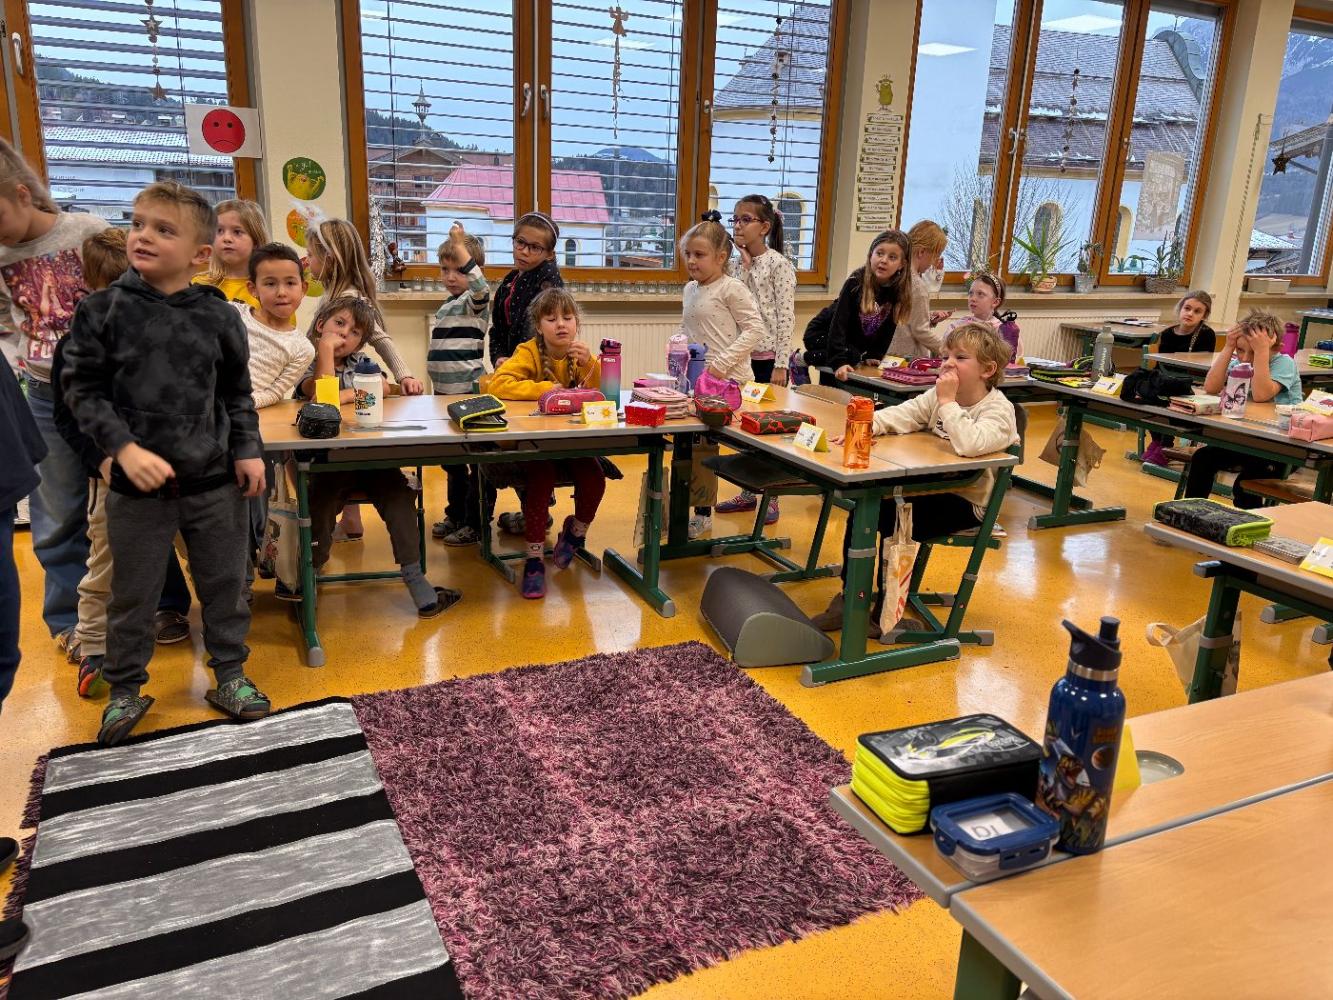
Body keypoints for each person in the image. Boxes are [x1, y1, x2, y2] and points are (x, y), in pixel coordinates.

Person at [62, 181, 270, 746]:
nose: (143, 236)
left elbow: (237, 393)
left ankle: (230, 675)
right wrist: (120, 450)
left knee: (225, 585)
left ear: (200, 254)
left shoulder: (219, 315)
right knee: (133, 594)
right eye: (137, 224)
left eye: (163, 229)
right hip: (138, 493)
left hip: (214, 484)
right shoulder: (101, 310)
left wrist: (248, 449)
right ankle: (126, 688)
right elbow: (81, 391)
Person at [53, 229, 197, 697]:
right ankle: (95, 648)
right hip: (113, 480)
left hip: (181, 474)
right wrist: (101, 461)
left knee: (207, 553)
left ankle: (226, 642)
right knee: (106, 564)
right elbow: (68, 416)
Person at [815, 321, 1019, 638]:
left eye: (961, 358)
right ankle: (849, 597)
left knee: (893, 517)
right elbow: (905, 413)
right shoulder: (937, 396)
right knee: (865, 511)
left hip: (968, 502)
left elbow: (970, 444)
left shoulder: (998, 410)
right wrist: (867, 424)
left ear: (988, 369)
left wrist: (948, 402)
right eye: (946, 356)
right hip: (934, 487)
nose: (948, 363)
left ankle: (886, 613)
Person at [0, 139, 109, 650]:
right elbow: (6, 325)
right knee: (58, 513)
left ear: (22, 194)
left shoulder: (85, 230)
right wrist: (22, 358)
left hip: (107, 393)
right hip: (45, 395)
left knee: (131, 503)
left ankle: (160, 605)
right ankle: (69, 623)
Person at [296, 295, 461, 618]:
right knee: (320, 507)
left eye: (355, 332)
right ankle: (310, 573)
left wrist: (353, 394)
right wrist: (325, 351)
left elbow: (384, 388)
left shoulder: (361, 362)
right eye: (338, 324)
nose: (344, 334)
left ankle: (415, 578)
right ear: (320, 325)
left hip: (373, 459)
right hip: (330, 463)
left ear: (362, 342)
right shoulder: (307, 362)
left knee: (401, 499)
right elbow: (321, 398)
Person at [305, 217, 423, 541]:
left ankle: (332, 520)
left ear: (330, 258)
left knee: (336, 448)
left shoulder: (350, 297)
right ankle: (350, 520)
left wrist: (404, 374)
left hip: (337, 390)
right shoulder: (332, 293)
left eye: (311, 255)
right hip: (324, 383)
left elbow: (381, 339)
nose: (307, 261)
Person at [486, 287, 606, 600]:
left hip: (571, 442)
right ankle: (535, 558)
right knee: (541, 480)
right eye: (551, 319)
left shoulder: (580, 355)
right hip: (535, 443)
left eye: (568, 317)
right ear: (539, 326)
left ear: (577, 323)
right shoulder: (528, 352)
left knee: (594, 477)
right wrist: (543, 389)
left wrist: (591, 364)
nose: (561, 324)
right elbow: (498, 384)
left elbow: (603, 391)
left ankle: (575, 533)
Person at [679, 210, 766, 539]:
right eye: (688, 254)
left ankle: (713, 509)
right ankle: (696, 510)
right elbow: (689, 329)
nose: (692, 261)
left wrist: (722, 364)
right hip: (698, 379)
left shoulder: (731, 288)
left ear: (720, 257)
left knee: (713, 445)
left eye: (699, 255)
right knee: (697, 444)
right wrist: (678, 351)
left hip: (730, 382)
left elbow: (755, 330)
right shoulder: (690, 289)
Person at [238, 241, 314, 600]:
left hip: (251, 426)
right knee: (229, 512)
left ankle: (264, 563)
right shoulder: (234, 317)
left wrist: (242, 404)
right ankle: (239, 583)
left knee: (258, 499)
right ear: (253, 288)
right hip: (213, 422)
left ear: (303, 288)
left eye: (289, 283)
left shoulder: (302, 347)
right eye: (270, 283)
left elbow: (277, 391)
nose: (281, 292)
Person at [716, 194, 797, 523]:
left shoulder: (779, 264)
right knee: (745, 425)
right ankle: (749, 492)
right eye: (735, 219)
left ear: (764, 227)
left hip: (768, 361)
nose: (738, 226)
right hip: (742, 358)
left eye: (746, 220)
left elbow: (785, 317)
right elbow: (737, 305)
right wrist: (744, 265)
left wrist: (781, 363)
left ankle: (772, 497)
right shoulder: (736, 264)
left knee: (769, 429)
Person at [488, 211, 565, 537]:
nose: (524, 251)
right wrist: (499, 358)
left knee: (530, 444)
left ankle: (537, 511)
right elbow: (497, 328)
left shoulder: (548, 282)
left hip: (536, 371)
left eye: (534, 247)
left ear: (549, 253)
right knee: (518, 440)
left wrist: (516, 362)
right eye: (520, 242)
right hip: (512, 369)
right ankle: (533, 510)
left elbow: (538, 332)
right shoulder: (510, 279)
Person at [1182, 309, 1302, 508]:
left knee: (1244, 485)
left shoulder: (1284, 363)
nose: (1245, 358)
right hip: (1246, 440)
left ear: (1276, 348)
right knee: (1203, 458)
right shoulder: (1239, 362)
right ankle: (1188, 511)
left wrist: (1262, 352)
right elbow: (1211, 387)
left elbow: (1262, 395)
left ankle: (1250, 524)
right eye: (1240, 349)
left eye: (1253, 351)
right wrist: (1229, 346)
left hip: (1280, 449)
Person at [428, 222, 490, 548]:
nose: (451, 277)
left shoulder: (473, 302)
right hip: (443, 396)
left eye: (459, 270)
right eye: (445, 269)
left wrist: (458, 243)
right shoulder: (446, 306)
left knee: (475, 462)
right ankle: (456, 514)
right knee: (452, 461)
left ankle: (475, 522)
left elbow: (481, 287)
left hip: (467, 393)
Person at [825, 230, 933, 379]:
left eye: (892, 257)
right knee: (849, 357)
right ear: (871, 255)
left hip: (851, 350)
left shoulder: (898, 289)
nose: (884, 260)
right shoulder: (855, 283)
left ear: (902, 264)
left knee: (855, 357)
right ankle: (802, 358)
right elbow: (839, 324)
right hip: (824, 340)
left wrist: (875, 354)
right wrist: (839, 361)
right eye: (879, 254)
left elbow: (888, 327)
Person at [1142, 290, 1216, 467]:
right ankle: (1158, 440)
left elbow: (1202, 366)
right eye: (1187, 308)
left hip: (1192, 383)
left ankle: (1166, 443)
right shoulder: (1167, 333)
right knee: (1147, 393)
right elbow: (1160, 364)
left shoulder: (1206, 334)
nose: (1190, 313)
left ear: (1204, 315)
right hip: (1166, 380)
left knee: (1168, 398)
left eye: (1197, 311)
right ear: (1180, 308)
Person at [191, 197, 268, 308]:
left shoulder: (268, 287)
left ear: (255, 241)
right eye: (219, 231)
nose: (226, 238)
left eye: (237, 232)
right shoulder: (199, 285)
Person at [907, 218, 950, 326]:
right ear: (921, 252)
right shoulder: (917, 287)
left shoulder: (896, 273)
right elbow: (918, 331)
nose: (933, 263)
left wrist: (928, 318)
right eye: (935, 256)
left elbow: (908, 318)